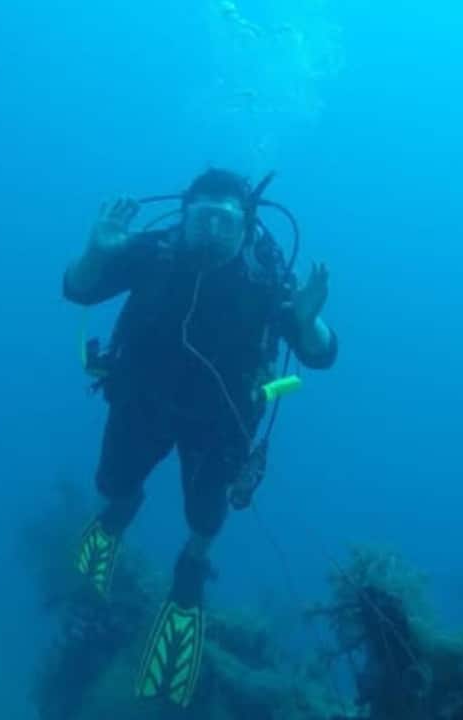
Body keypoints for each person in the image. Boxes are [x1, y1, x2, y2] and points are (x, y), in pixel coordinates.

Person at [63, 168, 338, 707]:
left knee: (206, 512)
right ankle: (118, 515)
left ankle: (191, 569)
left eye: (226, 221)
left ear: (247, 226)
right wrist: (96, 250)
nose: (213, 231)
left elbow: (321, 354)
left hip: (221, 422)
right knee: (114, 481)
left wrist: (308, 321)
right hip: (139, 402)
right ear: (185, 216)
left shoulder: (264, 277)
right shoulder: (152, 252)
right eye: (203, 217)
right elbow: (77, 289)